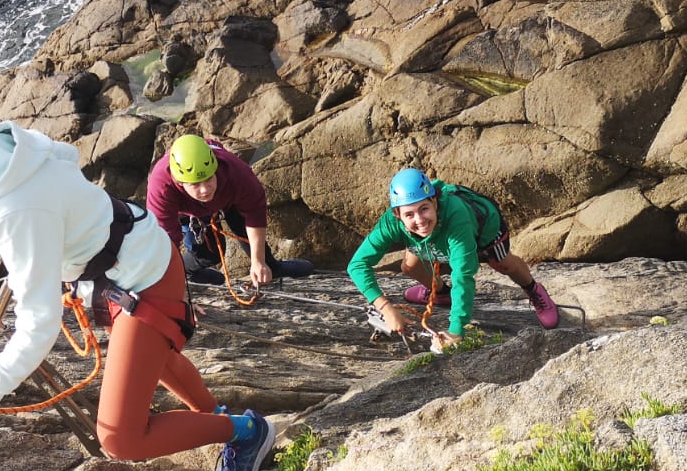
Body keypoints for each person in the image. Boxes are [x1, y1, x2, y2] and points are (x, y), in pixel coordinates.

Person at [0, 89, 275, 471]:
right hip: (128, 257)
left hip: (141, 276)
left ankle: (247, 433)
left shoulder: (13, 207)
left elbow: (38, 327)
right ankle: (218, 418)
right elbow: (63, 154)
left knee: (120, 438)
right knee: (158, 360)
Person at [347, 168, 558, 350]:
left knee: (503, 264)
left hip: (483, 231)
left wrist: (456, 330)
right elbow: (357, 265)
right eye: (409, 214)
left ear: (435, 202)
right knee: (409, 266)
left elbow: (463, 276)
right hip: (432, 238)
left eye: (424, 209)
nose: (419, 220)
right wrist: (385, 307)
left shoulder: (457, 218)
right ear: (397, 215)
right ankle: (441, 293)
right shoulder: (391, 224)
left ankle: (534, 290)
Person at [146, 133, 312, 287]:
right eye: (195, 184)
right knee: (209, 255)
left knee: (259, 254)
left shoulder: (237, 173)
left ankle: (271, 266)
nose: (204, 190)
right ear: (180, 182)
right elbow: (165, 240)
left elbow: (254, 214)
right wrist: (176, 289)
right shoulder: (161, 186)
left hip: (228, 200)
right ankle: (186, 271)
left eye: (208, 179)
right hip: (190, 211)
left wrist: (258, 262)